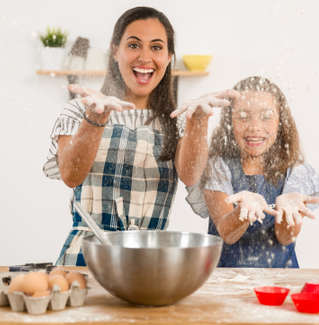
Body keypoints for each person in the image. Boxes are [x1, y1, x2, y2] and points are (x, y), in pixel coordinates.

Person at [43, 6, 239, 266]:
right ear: (115, 51)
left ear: (169, 56)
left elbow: (191, 174)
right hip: (85, 260)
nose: (145, 58)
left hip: (149, 262)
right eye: (134, 45)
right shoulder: (81, 110)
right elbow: (70, 175)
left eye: (156, 47)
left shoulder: (180, 119)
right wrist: (95, 119)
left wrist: (198, 121)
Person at [187, 76, 319, 268]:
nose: (254, 127)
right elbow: (227, 233)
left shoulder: (295, 169)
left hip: (280, 282)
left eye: (266, 116)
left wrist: (289, 212)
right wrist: (244, 211)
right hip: (225, 282)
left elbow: (285, 237)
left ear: (281, 122)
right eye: (243, 116)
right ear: (230, 122)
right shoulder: (218, 166)